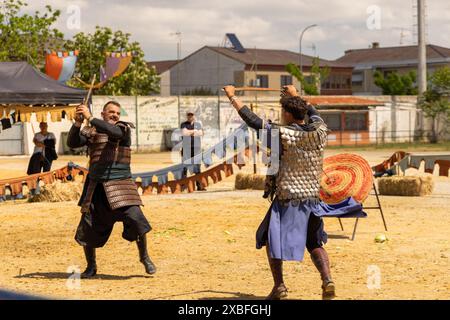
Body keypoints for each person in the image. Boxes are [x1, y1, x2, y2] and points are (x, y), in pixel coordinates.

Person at [222, 85, 365, 300]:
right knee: (314, 242)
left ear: (288, 114)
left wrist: (232, 97)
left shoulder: (281, 133)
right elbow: (314, 113)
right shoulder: (319, 130)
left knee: (271, 238)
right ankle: (327, 280)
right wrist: (296, 96)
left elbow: (253, 121)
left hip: (288, 199)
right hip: (312, 198)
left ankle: (279, 286)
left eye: (283, 111)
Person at [67, 101, 156, 278]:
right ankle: (91, 266)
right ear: (103, 114)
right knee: (88, 227)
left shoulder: (123, 129)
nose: (115, 115)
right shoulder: (92, 131)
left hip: (121, 186)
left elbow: (113, 132)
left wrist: (90, 117)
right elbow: (72, 142)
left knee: (136, 219)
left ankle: (144, 257)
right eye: (111, 112)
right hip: (97, 187)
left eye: (117, 113)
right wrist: (78, 123)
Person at [180, 111, 206, 191]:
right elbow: (184, 133)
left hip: (196, 149)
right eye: (189, 115)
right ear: (187, 116)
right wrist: (195, 131)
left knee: (197, 168)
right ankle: (183, 186)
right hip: (186, 148)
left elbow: (201, 133)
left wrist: (190, 132)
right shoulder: (183, 124)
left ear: (194, 116)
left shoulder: (198, 124)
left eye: (191, 115)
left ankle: (199, 186)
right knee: (184, 168)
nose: (190, 117)